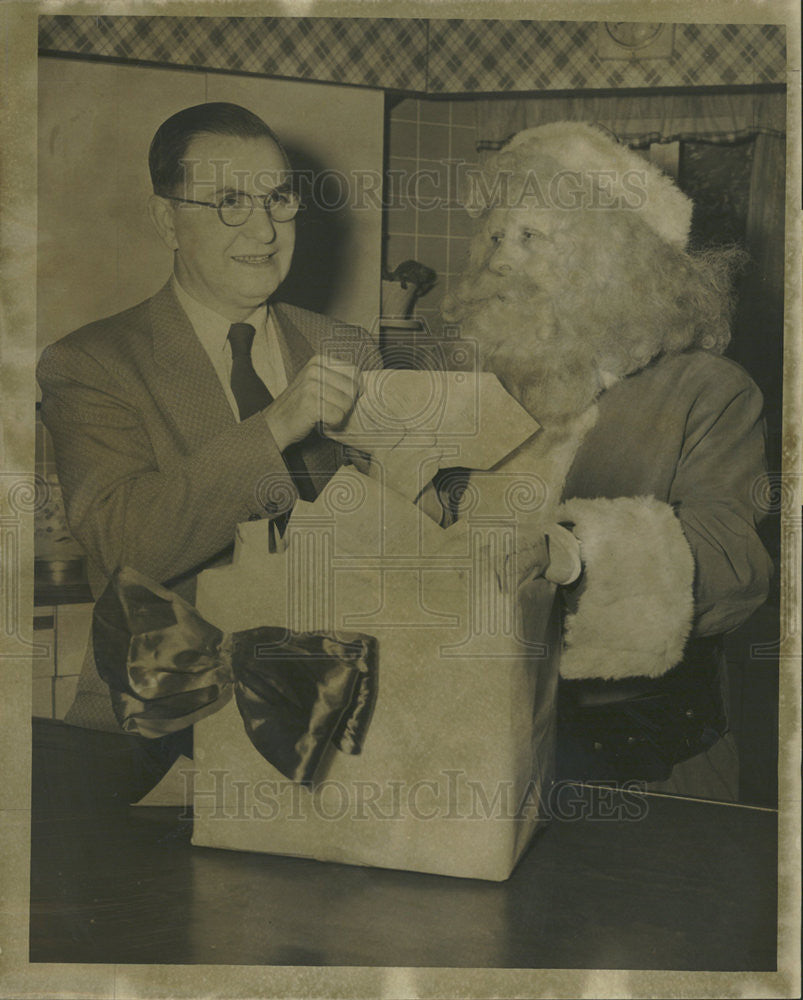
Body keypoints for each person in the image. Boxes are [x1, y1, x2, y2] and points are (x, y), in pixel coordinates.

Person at [441, 122, 773, 799]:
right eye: (496, 236)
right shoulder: (474, 389)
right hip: (475, 744)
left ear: (607, 259)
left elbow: (734, 568)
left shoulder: (705, 390)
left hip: (643, 765)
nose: (499, 260)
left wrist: (568, 553)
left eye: (531, 237)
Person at [37, 102, 372, 737]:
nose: (265, 230)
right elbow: (125, 544)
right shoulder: (89, 362)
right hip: (164, 725)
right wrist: (274, 426)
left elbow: (402, 522)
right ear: (167, 219)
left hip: (333, 713)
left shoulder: (348, 349)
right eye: (229, 202)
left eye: (278, 199)